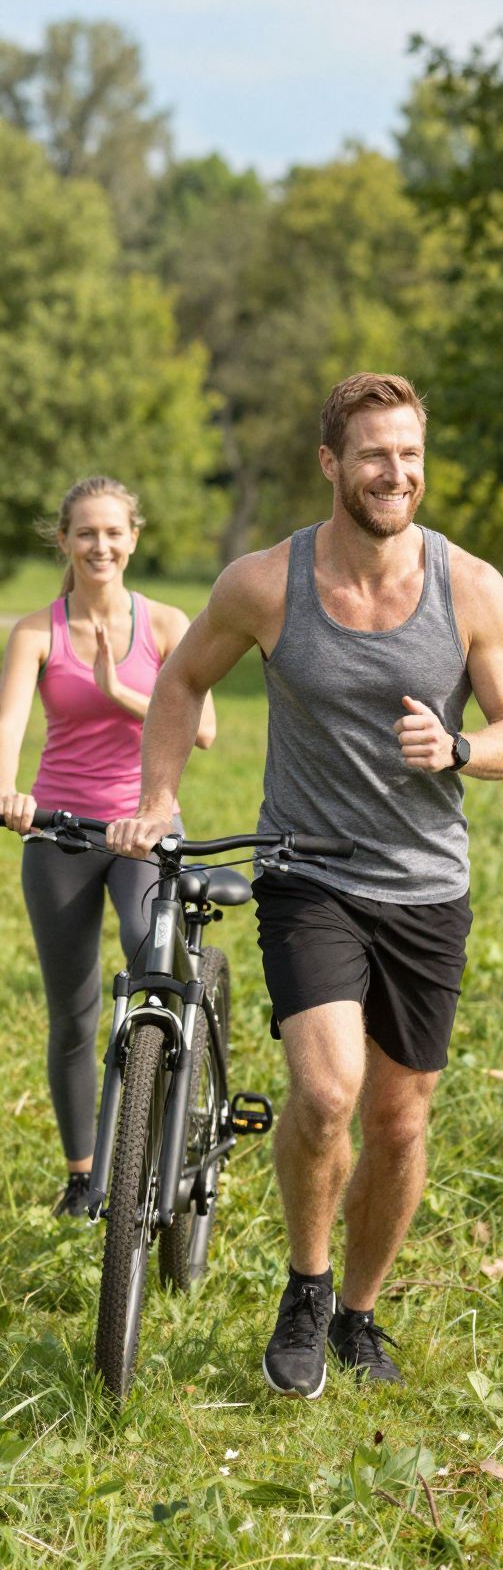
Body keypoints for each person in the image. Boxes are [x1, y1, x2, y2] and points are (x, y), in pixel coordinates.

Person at [109, 373, 503, 1396]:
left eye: (409, 454)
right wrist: (159, 795)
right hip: (309, 871)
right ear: (331, 465)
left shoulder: (470, 585)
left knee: (398, 1119)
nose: (396, 473)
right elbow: (181, 681)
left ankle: (359, 1311)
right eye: (375, 455)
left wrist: (459, 746)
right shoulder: (267, 583)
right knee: (327, 1086)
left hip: (427, 883)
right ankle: (305, 1287)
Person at [0, 476, 216, 1216]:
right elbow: (9, 728)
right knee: (74, 1013)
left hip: (145, 827)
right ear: (63, 540)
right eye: (85, 533)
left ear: (134, 538)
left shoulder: (165, 625)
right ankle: (83, 1175)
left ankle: (160, 1111)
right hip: (60, 830)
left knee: (145, 950)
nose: (101, 545)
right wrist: (9, 792)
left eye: (113, 532)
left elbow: (207, 728)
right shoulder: (36, 631)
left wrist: (120, 689)